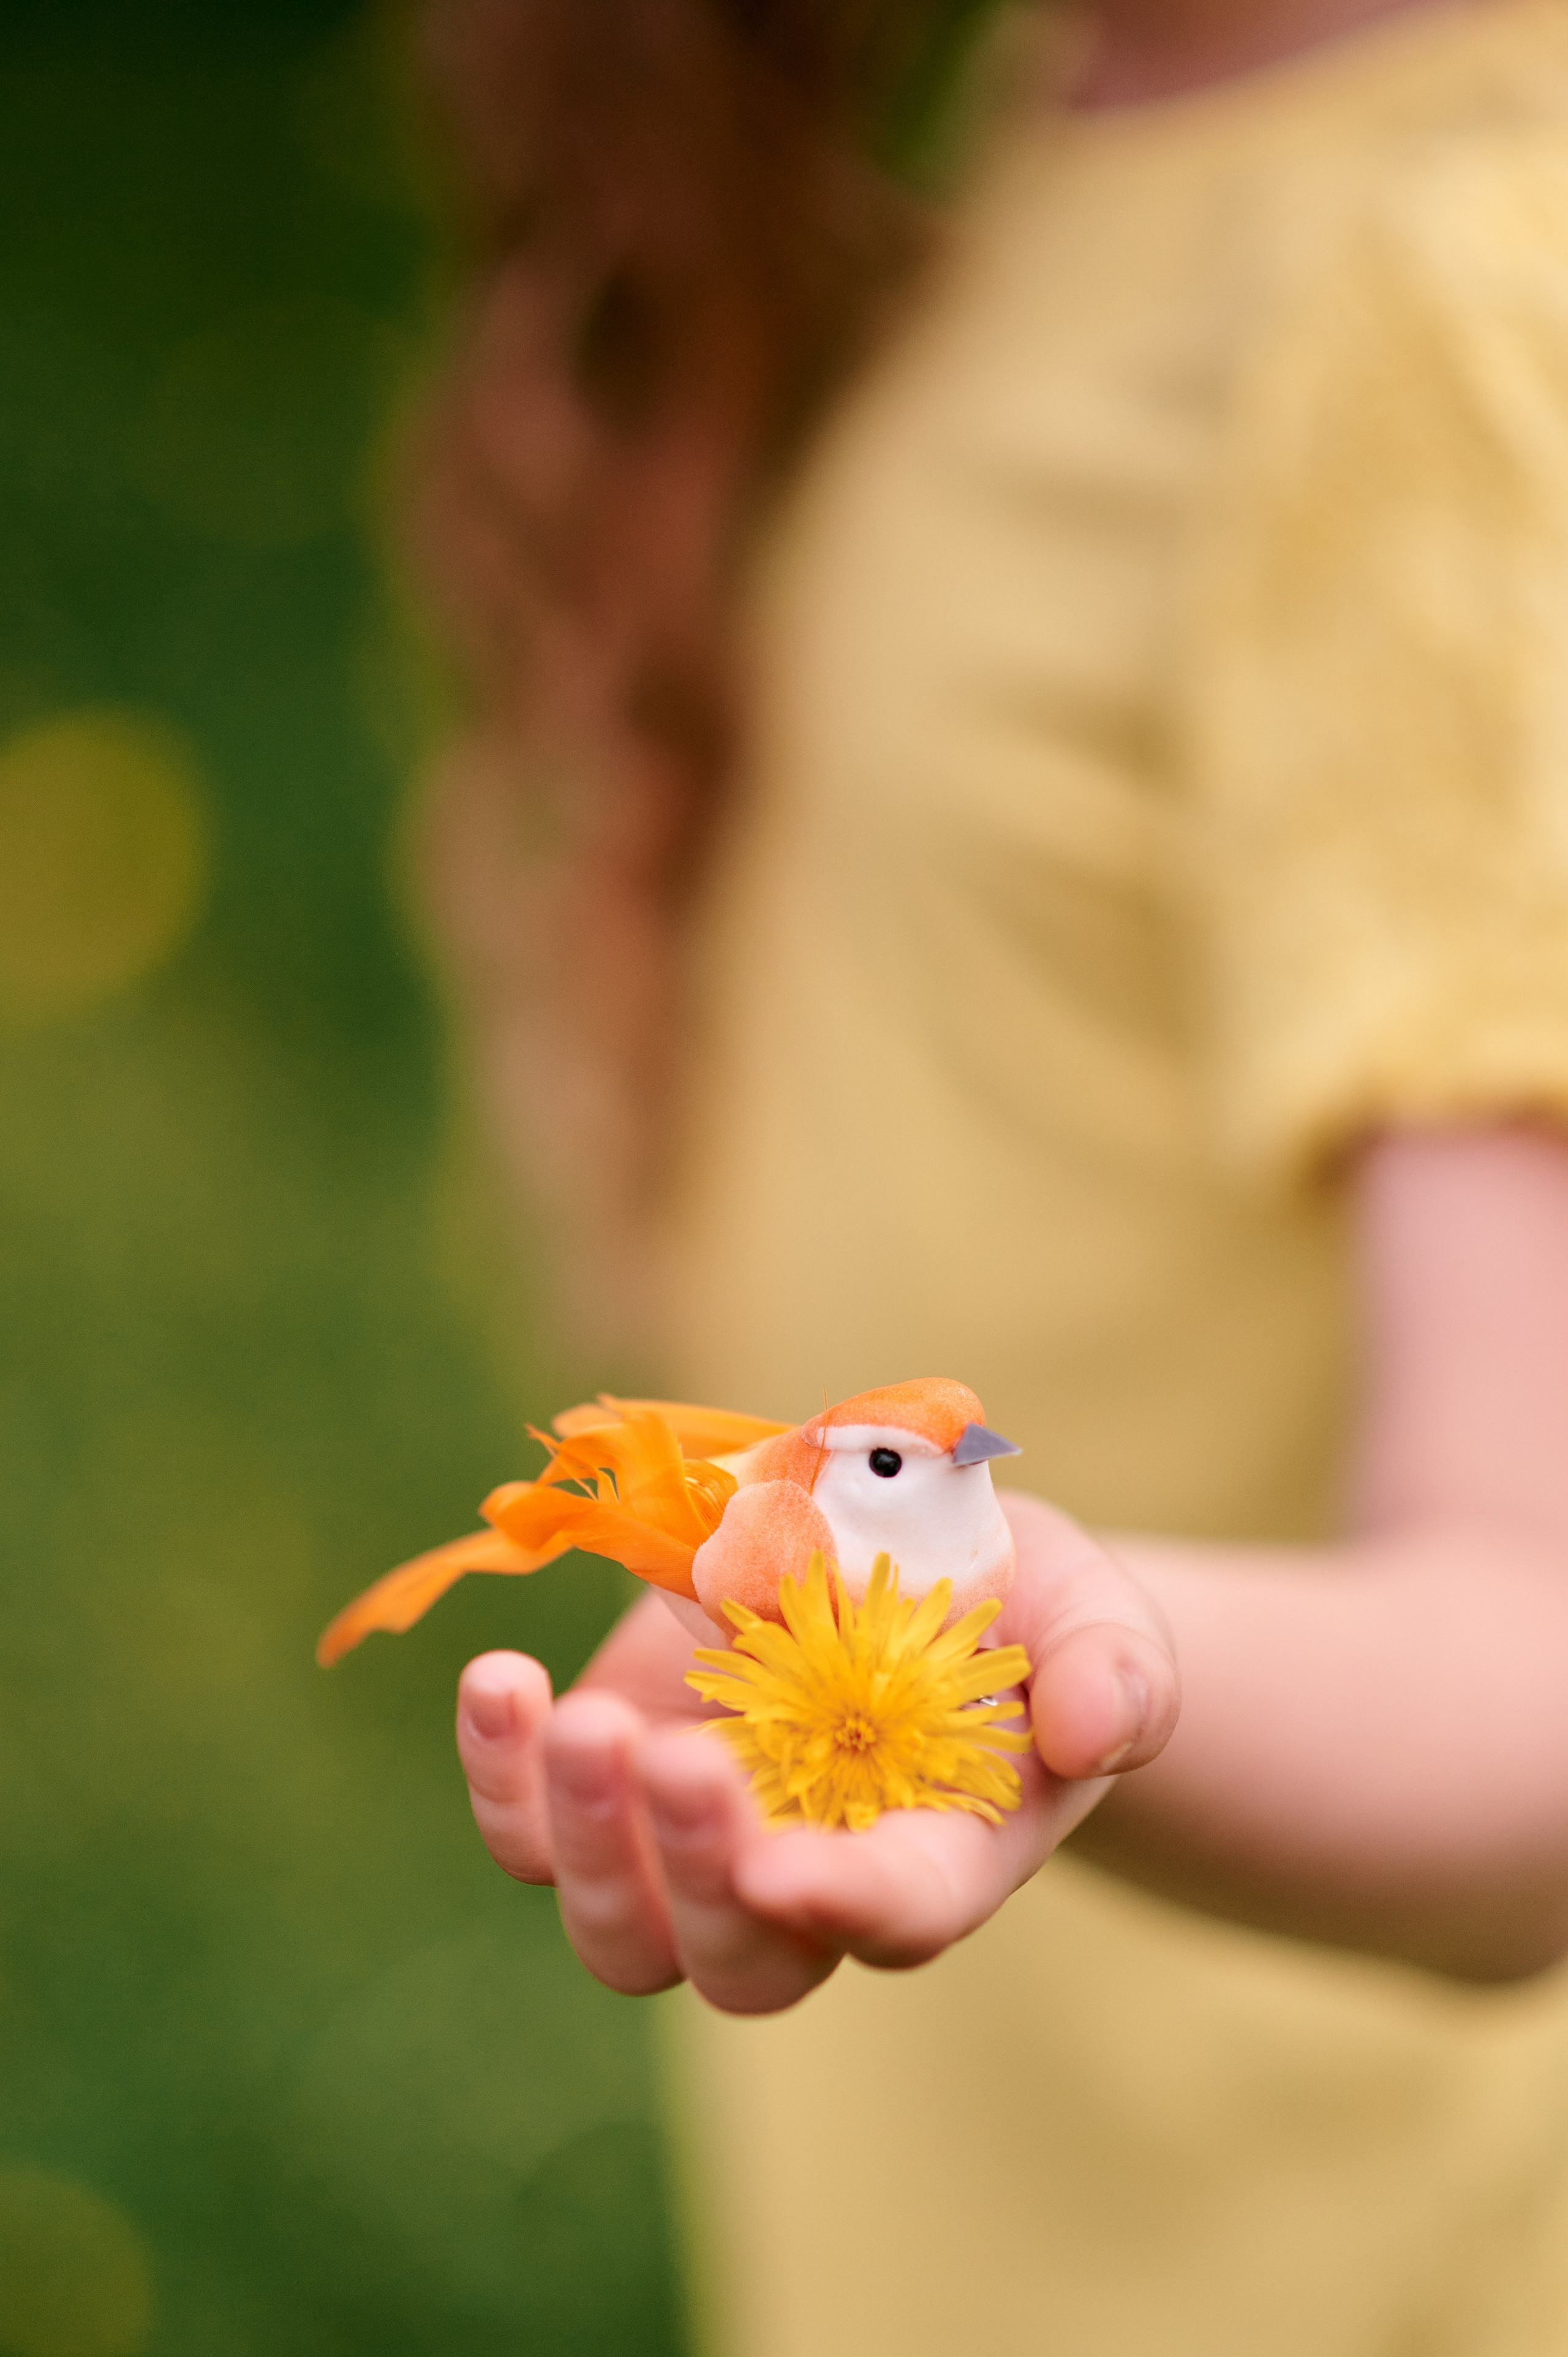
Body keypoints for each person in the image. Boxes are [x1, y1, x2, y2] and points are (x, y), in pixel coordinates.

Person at [415, 0, 1568, 2347]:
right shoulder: (1123, 88)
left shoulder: (1454, 279)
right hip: (1027, 2216)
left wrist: (1042, 1639)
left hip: (1352, 2260)